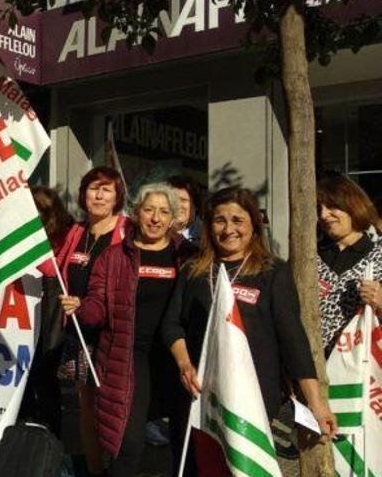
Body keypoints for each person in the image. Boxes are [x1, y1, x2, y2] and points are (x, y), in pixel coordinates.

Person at [160, 187, 336, 475]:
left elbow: (293, 340)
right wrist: (184, 364)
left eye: (237, 220)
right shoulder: (193, 270)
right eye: (219, 220)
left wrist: (316, 403)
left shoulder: (272, 272)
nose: (229, 229)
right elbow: (171, 325)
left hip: (253, 392)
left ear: (254, 224)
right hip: (199, 391)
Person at [59, 183, 194, 476]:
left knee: (186, 445)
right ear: (136, 213)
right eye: (149, 210)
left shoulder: (188, 256)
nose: (155, 218)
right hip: (130, 359)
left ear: (173, 218)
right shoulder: (115, 257)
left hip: (180, 358)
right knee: (128, 443)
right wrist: (79, 308)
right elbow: (97, 308)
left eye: (164, 212)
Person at [45, 167, 129, 474]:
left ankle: (119, 467)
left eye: (107, 190)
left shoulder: (126, 230)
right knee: (87, 408)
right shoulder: (76, 232)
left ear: (118, 196)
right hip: (80, 333)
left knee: (115, 408)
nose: (99, 195)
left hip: (114, 334)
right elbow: (51, 267)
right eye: (94, 188)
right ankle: (95, 470)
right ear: (84, 194)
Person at [19, 186, 73, 436]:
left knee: (46, 370)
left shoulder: (68, 231)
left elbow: (53, 271)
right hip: (30, 307)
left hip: (53, 309)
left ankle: (53, 430)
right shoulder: (27, 232)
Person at [316, 174, 382, 355]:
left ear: (352, 205)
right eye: (318, 208)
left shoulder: (378, 256)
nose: (323, 214)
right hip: (311, 371)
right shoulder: (308, 258)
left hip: (360, 371)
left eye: (331, 206)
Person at [168, 175, 203, 244]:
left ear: (195, 205)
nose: (177, 205)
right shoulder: (157, 233)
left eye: (183, 200)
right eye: (172, 199)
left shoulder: (207, 235)